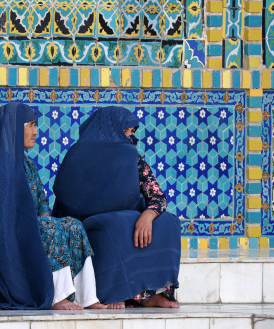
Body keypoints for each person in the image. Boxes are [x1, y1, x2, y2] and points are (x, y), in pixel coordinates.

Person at [0, 102, 106, 310]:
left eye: (35, 125)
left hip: (28, 226)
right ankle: (56, 297)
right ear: (13, 129)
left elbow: (40, 201)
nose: (35, 132)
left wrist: (43, 216)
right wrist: (32, 223)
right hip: (2, 233)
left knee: (73, 226)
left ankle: (88, 297)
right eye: (30, 125)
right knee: (49, 229)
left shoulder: (26, 163)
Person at [52, 106, 181, 309]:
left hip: (128, 220)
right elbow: (66, 197)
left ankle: (149, 294)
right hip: (87, 226)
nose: (132, 139)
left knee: (168, 222)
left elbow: (157, 196)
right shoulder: (77, 155)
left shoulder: (132, 158)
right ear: (109, 130)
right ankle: (113, 293)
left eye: (133, 133)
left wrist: (148, 214)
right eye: (127, 133)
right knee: (113, 226)